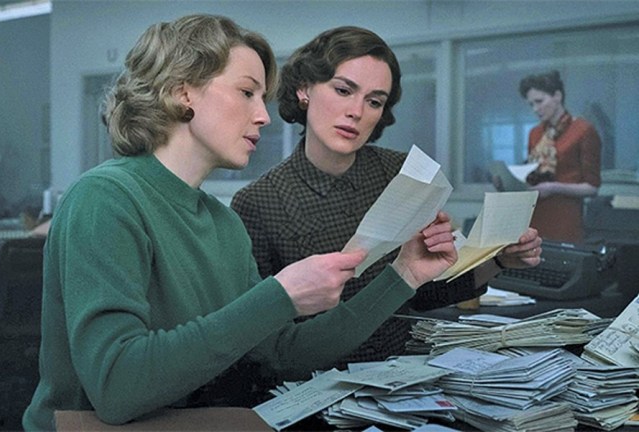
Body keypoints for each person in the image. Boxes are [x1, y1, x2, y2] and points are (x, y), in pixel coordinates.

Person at [23, 15, 460, 430]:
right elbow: (117, 387)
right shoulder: (105, 198)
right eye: (247, 92)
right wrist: (279, 295)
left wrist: (403, 274)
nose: (265, 116)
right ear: (183, 92)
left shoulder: (223, 223)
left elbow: (282, 354)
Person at [231, 26, 542, 367]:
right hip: (313, 378)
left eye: (374, 101)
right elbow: (262, 341)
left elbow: (423, 292)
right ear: (304, 90)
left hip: (402, 372)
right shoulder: (258, 202)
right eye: (343, 90)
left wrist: (497, 261)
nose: (357, 111)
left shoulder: (402, 173)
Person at [518, 70, 601, 243]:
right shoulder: (535, 133)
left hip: (564, 219)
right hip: (534, 217)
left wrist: (554, 187)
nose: (535, 109)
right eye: (531, 104)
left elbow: (592, 188)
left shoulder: (583, 130)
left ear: (557, 96)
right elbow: (531, 174)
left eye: (539, 101)